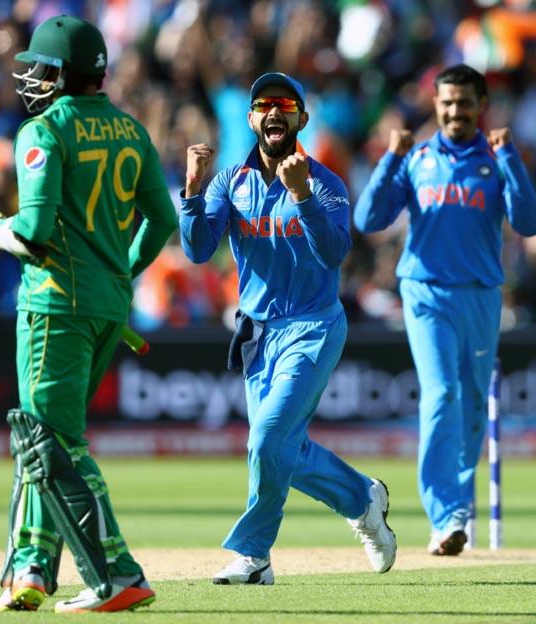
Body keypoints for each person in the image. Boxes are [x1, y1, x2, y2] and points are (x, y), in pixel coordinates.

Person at [0, 15, 177, 612]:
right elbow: (163, 222)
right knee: (46, 439)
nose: (32, 79)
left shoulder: (44, 131)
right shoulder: (130, 129)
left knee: (48, 443)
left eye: (42, 68)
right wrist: (118, 274)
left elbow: (38, 235)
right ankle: (31, 569)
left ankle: (116, 573)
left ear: (66, 73)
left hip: (55, 304)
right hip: (105, 305)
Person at [180, 72, 397, 584]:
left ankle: (254, 555)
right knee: (281, 447)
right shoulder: (231, 180)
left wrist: (301, 196)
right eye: (263, 105)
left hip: (314, 326)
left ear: (300, 118)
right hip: (258, 333)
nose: (274, 112)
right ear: (252, 119)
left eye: (285, 104)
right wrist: (191, 193)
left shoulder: (324, 182)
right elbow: (197, 250)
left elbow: (335, 252)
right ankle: (361, 497)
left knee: (268, 437)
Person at [354, 64, 536, 555]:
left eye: (463, 103)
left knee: (473, 404)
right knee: (441, 395)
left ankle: (455, 509)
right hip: (425, 292)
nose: (454, 111)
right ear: (435, 106)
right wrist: (391, 159)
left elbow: (529, 221)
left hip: (480, 294)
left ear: (482, 106)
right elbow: (369, 218)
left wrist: (511, 161)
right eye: (446, 103)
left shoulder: (497, 157)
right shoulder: (417, 158)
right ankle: (447, 515)